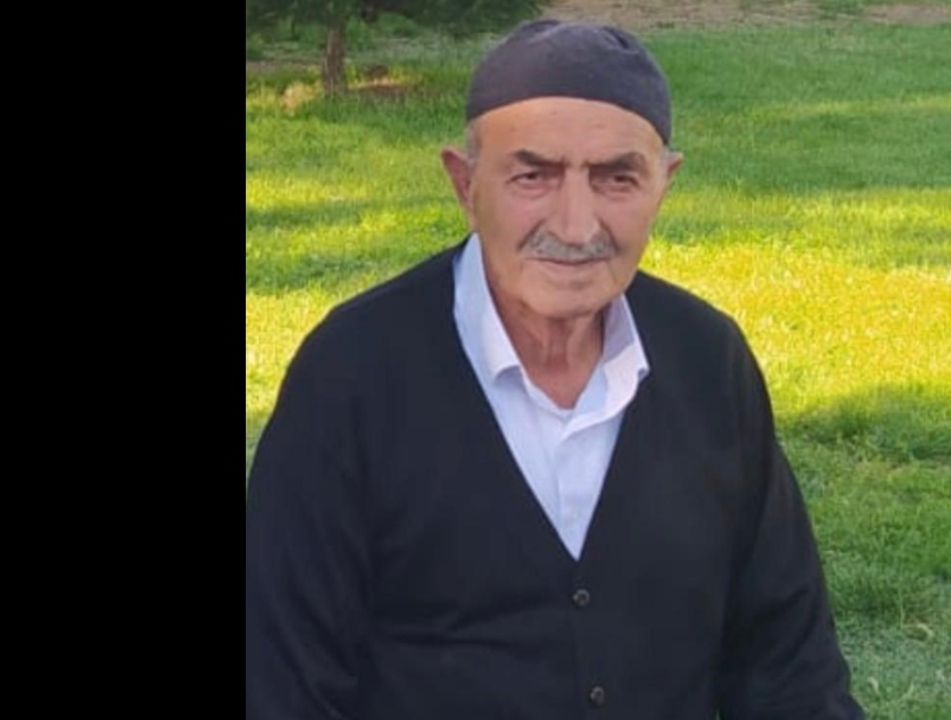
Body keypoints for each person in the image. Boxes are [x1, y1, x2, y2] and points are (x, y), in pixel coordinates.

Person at [246, 19, 865, 720]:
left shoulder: (706, 362)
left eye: (617, 178)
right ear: (465, 184)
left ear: (664, 184)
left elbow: (790, 668)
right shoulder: (353, 374)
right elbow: (280, 684)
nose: (576, 226)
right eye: (533, 176)